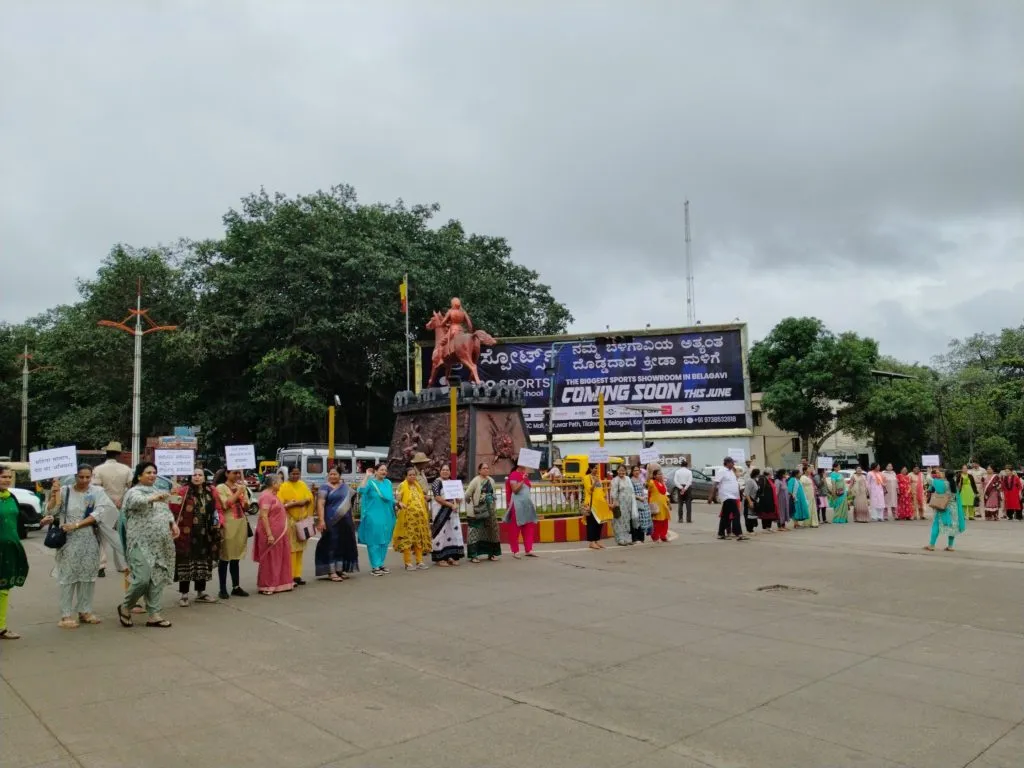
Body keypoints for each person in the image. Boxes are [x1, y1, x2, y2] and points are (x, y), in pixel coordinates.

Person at [39, 465, 112, 628]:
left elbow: (100, 513)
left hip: (90, 538)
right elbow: (51, 510)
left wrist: (77, 524)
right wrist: (53, 495)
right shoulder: (64, 490)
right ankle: (65, 615)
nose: (85, 480)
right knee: (68, 577)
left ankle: (85, 611)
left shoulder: (96, 492)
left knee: (88, 576)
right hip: (68, 541)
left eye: (88, 477)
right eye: (81, 477)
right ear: (75, 476)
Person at [116, 462, 178, 629]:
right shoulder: (133, 492)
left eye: (154, 472)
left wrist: (173, 524)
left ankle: (154, 614)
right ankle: (126, 606)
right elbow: (136, 503)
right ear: (139, 476)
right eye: (148, 472)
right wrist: (153, 498)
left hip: (160, 542)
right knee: (142, 578)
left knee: (157, 578)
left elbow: (165, 511)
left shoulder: (158, 492)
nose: (152, 475)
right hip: (140, 542)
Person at [171, 468, 222, 607]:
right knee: (186, 563)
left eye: (200, 475)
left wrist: (218, 523)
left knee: (203, 563)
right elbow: (174, 509)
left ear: (205, 478)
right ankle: (184, 595)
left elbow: (217, 509)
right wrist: (173, 495)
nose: (197, 477)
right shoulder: (183, 490)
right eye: (194, 474)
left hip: (206, 534)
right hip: (187, 534)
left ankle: (201, 593)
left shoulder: (210, 491)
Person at [91, 441, 133, 577]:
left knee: (102, 536)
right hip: (121, 507)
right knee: (119, 535)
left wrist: (109, 500)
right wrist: (120, 500)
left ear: (106, 453)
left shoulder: (98, 469)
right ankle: (122, 565)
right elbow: (131, 488)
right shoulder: (126, 469)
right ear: (119, 454)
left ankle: (101, 566)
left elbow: (96, 489)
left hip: (104, 507)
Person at [314, 467, 359, 580]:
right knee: (331, 544)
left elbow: (350, 503)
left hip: (346, 520)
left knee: (344, 543)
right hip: (331, 520)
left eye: (335, 474)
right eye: (331, 474)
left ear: (340, 475)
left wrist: (352, 518)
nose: (333, 476)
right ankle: (331, 571)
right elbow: (320, 504)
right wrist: (321, 520)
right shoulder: (324, 487)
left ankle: (340, 569)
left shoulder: (345, 487)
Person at [0, 465, 29, 639]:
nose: (7, 480)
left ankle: (1, 627)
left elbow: (20, 523)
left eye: (9, 477)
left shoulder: (11, 497)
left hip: (10, 550)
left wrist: (42, 522)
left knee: (4, 588)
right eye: (3, 477)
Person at [253, 473, 293, 594]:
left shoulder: (273, 495)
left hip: (280, 533)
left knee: (280, 558)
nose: (281, 484)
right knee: (270, 559)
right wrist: (269, 534)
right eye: (280, 481)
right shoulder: (266, 496)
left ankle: (280, 584)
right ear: (274, 483)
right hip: (270, 534)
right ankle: (267, 585)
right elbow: (264, 516)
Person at [215, 469, 250, 600]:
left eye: (237, 473)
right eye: (234, 473)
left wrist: (244, 499)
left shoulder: (241, 487)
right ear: (226, 474)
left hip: (241, 524)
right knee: (225, 557)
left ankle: (236, 586)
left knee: (236, 557)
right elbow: (225, 504)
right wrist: (239, 492)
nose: (236, 475)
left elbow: (246, 507)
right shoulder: (221, 488)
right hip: (228, 525)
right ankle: (222, 588)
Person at [358, 464, 397, 575]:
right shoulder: (370, 483)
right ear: (376, 471)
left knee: (384, 540)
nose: (384, 472)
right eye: (381, 470)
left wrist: (398, 503)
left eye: (385, 470)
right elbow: (361, 490)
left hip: (387, 516)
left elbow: (390, 498)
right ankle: (375, 566)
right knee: (374, 541)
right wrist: (367, 476)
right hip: (373, 516)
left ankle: (380, 563)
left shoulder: (388, 483)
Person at [278, 466, 314, 586]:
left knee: (300, 549)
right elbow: (280, 504)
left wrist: (306, 500)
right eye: (293, 474)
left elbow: (310, 497)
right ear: (288, 474)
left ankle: (297, 575)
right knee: (292, 550)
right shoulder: (283, 486)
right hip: (290, 521)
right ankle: (290, 575)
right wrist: (294, 504)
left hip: (302, 520)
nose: (295, 476)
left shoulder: (302, 484)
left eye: (297, 473)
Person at [394, 466, 433, 571]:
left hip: (419, 520)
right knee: (408, 540)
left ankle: (419, 561)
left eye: (414, 475)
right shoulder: (402, 486)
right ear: (405, 476)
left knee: (419, 540)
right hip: (407, 519)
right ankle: (408, 563)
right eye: (410, 475)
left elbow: (419, 497)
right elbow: (397, 499)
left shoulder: (417, 486)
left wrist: (426, 498)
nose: (412, 476)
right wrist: (399, 503)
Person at [465, 462, 502, 562]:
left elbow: (493, 493)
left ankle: (491, 554)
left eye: (487, 468)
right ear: (479, 470)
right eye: (484, 468)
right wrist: (472, 505)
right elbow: (467, 494)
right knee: (475, 532)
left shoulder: (491, 480)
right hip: (478, 511)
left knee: (491, 532)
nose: (486, 470)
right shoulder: (475, 481)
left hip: (490, 510)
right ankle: (473, 555)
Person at [429, 464, 465, 566]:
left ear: (450, 472)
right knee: (441, 533)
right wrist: (449, 504)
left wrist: (458, 500)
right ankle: (440, 558)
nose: (445, 471)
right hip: (441, 512)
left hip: (452, 513)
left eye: (447, 470)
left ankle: (451, 556)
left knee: (452, 533)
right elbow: (437, 497)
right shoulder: (437, 482)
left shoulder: (452, 483)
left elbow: (458, 496)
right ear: (440, 471)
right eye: (443, 470)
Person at [924, 469, 966, 552]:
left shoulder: (942, 484)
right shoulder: (954, 484)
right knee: (953, 527)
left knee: (936, 524)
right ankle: (950, 546)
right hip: (954, 508)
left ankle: (931, 545)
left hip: (943, 507)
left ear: (946, 476)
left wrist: (929, 472)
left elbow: (929, 480)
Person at [503, 464, 538, 558]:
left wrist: (524, 478)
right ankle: (515, 551)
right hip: (516, 505)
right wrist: (522, 480)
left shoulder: (525, 475)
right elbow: (515, 490)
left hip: (527, 505)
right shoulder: (513, 475)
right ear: (519, 464)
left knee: (529, 526)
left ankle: (528, 549)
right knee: (515, 527)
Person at [712, 457, 746, 540]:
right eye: (732, 462)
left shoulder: (731, 471)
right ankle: (738, 533)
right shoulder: (722, 471)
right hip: (727, 496)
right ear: (727, 463)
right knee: (736, 514)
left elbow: (735, 482)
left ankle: (721, 533)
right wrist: (711, 496)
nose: (733, 464)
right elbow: (715, 483)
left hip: (733, 496)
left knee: (725, 516)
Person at [609, 464, 638, 546]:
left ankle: (627, 538)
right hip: (620, 503)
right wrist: (615, 501)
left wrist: (633, 502)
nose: (621, 472)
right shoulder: (615, 480)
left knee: (627, 521)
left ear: (626, 471)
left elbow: (631, 491)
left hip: (628, 503)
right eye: (620, 470)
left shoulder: (628, 479)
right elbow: (613, 492)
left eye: (623, 470)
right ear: (617, 471)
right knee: (619, 521)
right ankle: (620, 539)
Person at [584, 464, 611, 548]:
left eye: (597, 468)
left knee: (599, 523)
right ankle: (591, 542)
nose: (596, 470)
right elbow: (589, 490)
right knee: (592, 523)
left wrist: (604, 498)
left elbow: (600, 490)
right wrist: (594, 482)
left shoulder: (598, 478)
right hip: (591, 504)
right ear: (591, 468)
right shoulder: (586, 478)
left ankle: (596, 540)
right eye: (595, 468)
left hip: (600, 503)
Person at [629, 465, 651, 543]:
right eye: (635, 470)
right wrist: (639, 497)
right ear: (632, 471)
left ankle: (641, 538)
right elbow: (630, 493)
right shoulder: (630, 480)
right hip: (635, 502)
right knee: (636, 519)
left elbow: (643, 489)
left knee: (642, 520)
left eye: (638, 470)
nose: (637, 472)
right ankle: (635, 538)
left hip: (643, 502)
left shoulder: (640, 479)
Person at [743, 468, 760, 534]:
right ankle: (749, 530)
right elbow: (746, 492)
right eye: (758, 474)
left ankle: (751, 529)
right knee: (749, 515)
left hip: (754, 500)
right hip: (749, 500)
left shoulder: (755, 480)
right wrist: (750, 502)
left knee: (753, 516)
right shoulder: (750, 481)